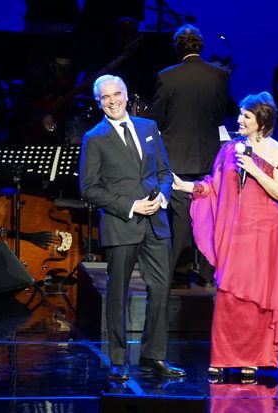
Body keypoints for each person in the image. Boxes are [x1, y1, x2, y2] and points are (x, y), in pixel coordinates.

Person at [171, 92, 278, 378]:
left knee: (257, 295)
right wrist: (185, 186)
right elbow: (214, 186)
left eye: (246, 116)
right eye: (240, 114)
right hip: (235, 231)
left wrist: (255, 170)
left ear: (262, 121)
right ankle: (224, 356)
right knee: (230, 294)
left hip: (264, 232)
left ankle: (253, 357)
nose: (239, 120)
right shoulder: (229, 149)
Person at [79, 75, 185, 380]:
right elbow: (88, 188)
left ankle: (155, 357)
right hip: (122, 224)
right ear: (98, 102)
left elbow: (164, 172)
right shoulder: (95, 137)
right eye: (105, 97)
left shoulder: (148, 127)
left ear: (127, 95)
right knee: (117, 292)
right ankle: (118, 359)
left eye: (117, 94)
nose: (112, 101)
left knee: (161, 290)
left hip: (156, 223)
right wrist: (131, 206)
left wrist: (162, 196)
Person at [152, 24, 235, 288]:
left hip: (177, 156)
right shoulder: (219, 74)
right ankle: (208, 273)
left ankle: (178, 270)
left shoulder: (167, 76)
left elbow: (158, 117)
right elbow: (221, 112)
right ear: (201, 45)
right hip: (210, 156)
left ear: (178, 47)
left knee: (181, 218)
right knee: (209, 214)